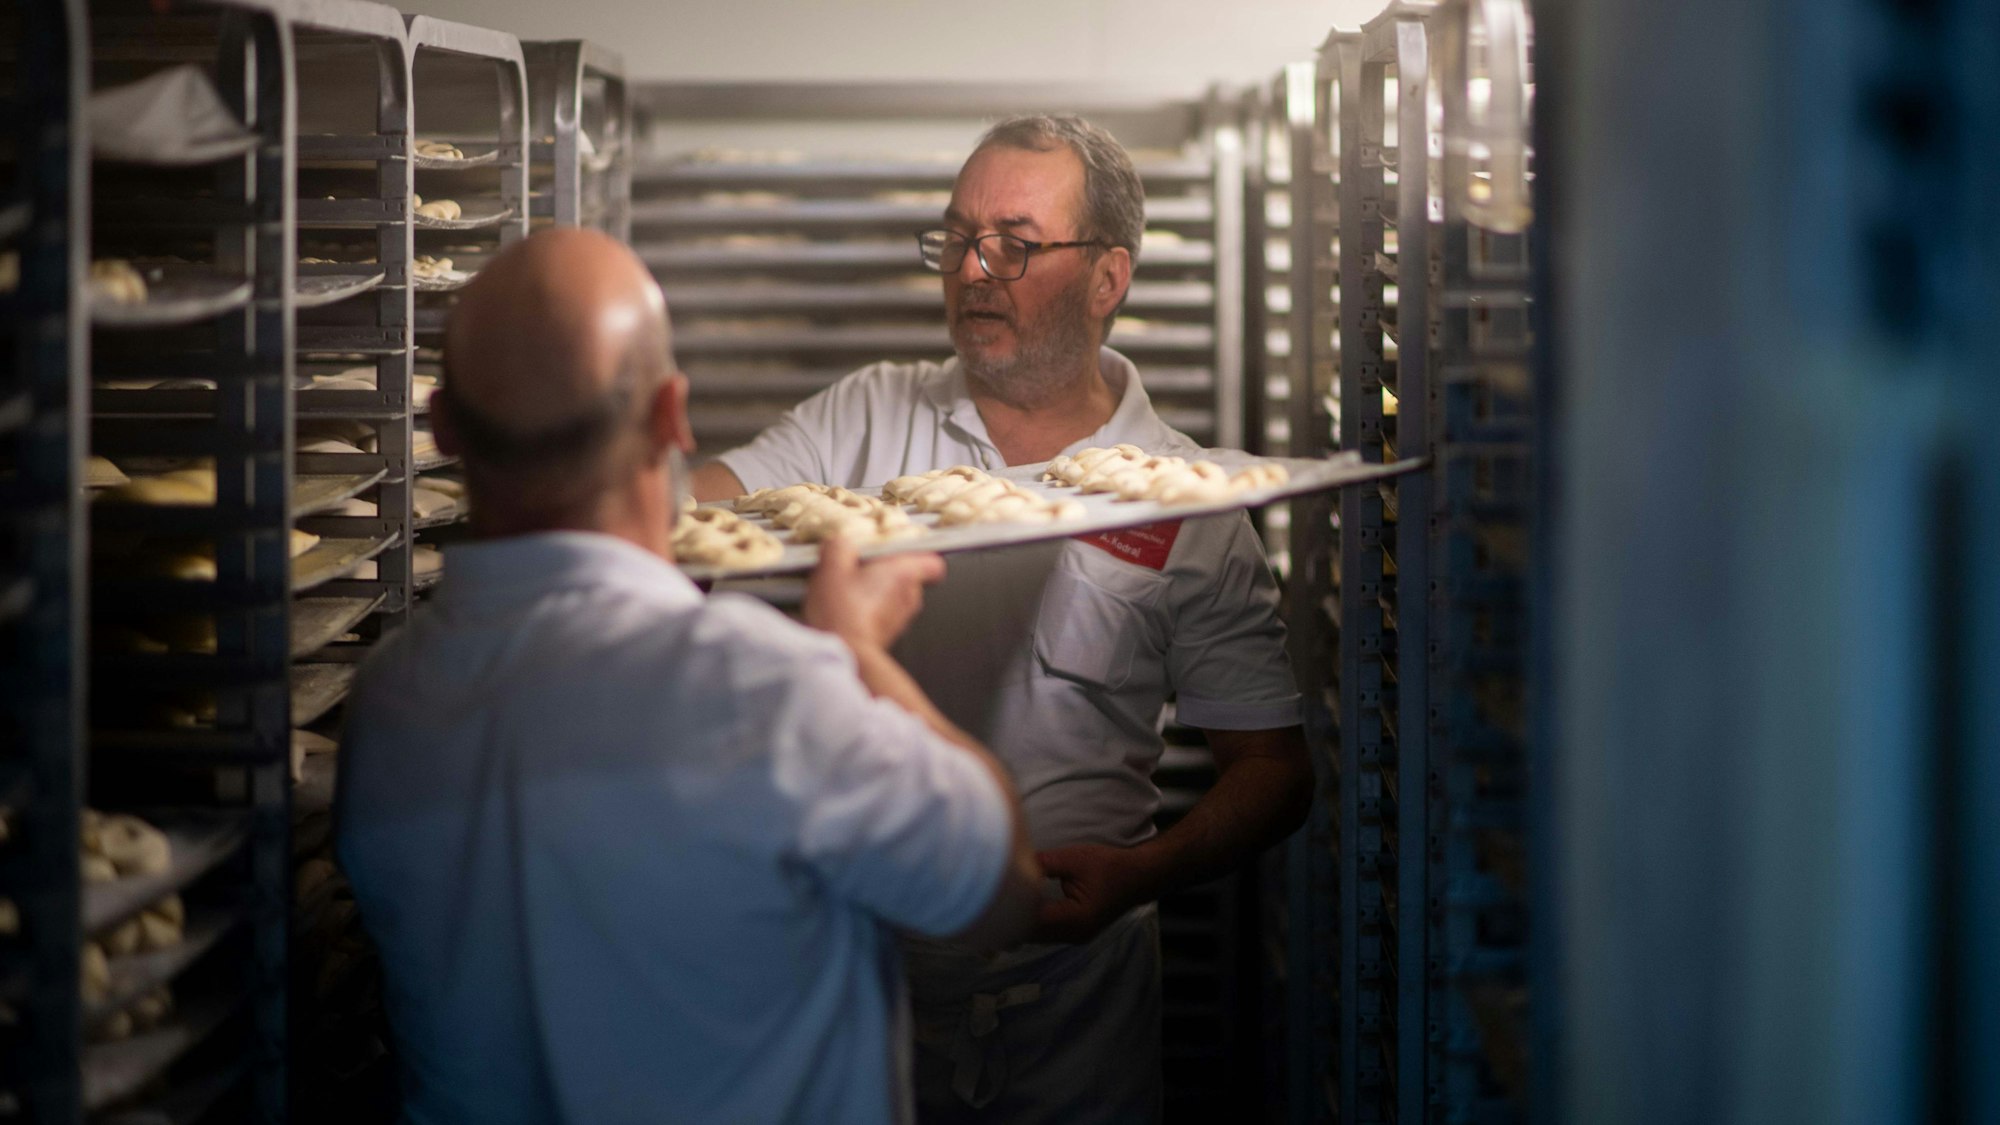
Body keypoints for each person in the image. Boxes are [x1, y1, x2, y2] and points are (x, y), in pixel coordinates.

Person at [335, 228, 1042, 1125]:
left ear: (442, 427)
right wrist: (853, 652)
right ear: (673, 414)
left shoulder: (386, 703)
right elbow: (1003, 884)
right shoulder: (764, 689)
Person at [692, 115, 1313, 1122]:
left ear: (1106, 279)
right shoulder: (867, 416)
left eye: (1012, 245)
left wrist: (1144, 870)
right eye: (956, 238)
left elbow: (1273, 771)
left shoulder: (1178, 500)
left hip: (1076, 1011)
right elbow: (702, 501)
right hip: (859, 978)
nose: (972, 269)